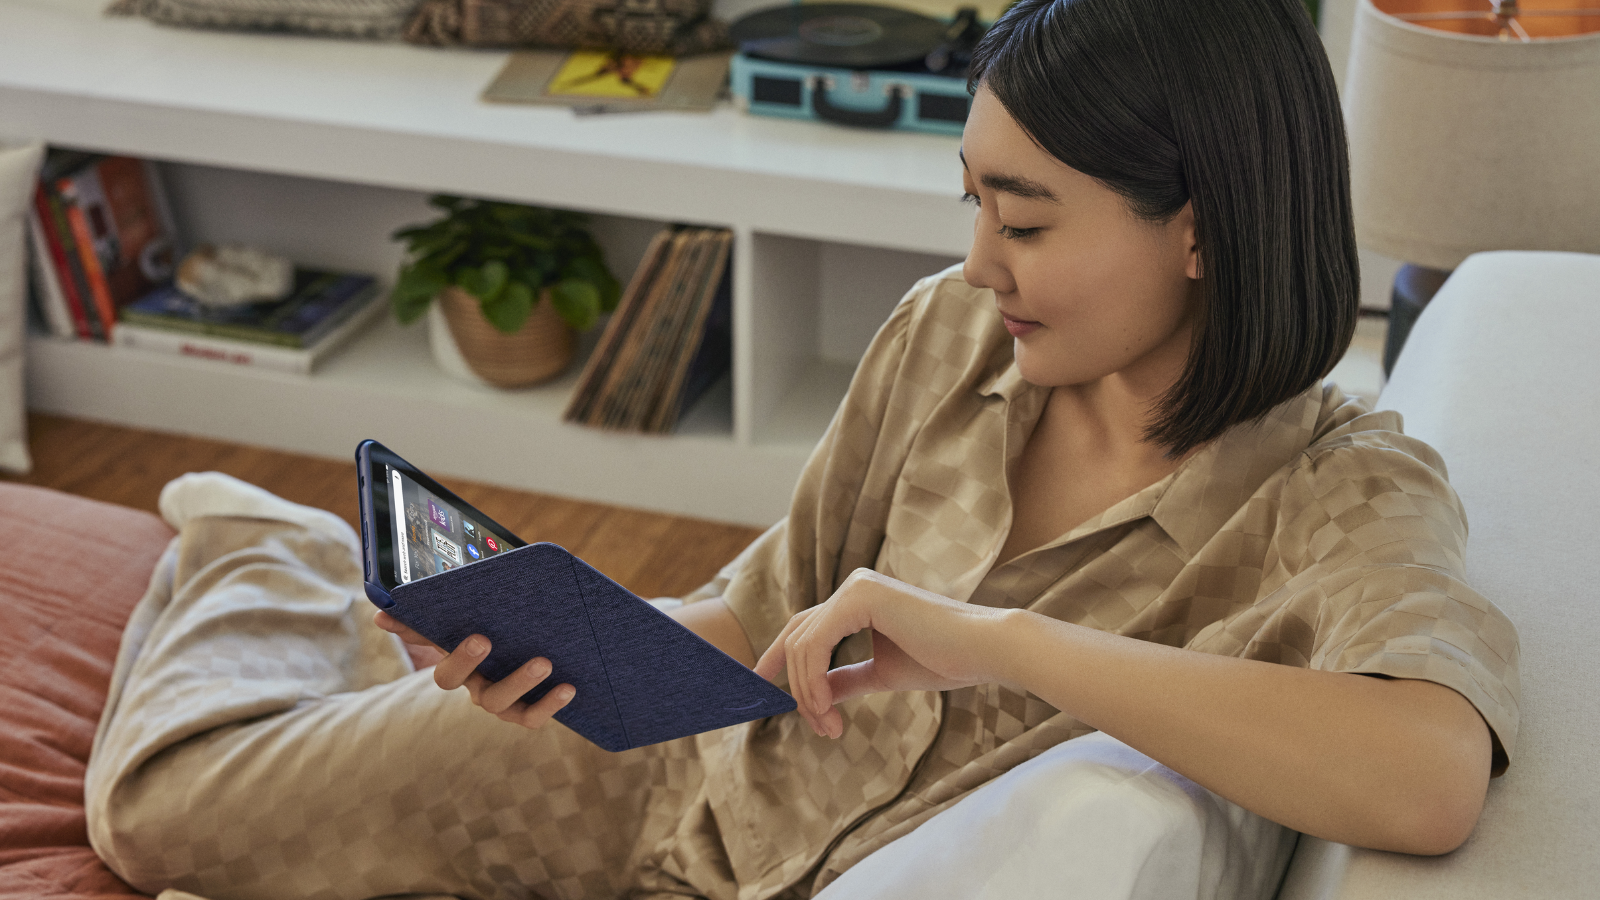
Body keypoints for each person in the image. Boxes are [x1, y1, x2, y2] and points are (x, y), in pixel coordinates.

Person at [86, 0, 1519, 898]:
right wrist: (577, 644)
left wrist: (997, 641)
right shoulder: (945, 339)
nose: (976, 264)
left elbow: (1430, 775)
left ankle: (306, 593)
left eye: (1023, 222)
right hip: (641, 769)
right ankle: (266, 547)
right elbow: (760, 613)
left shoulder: (1339, 497)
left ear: (1201, 225)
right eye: (972, 204)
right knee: (153, 823)